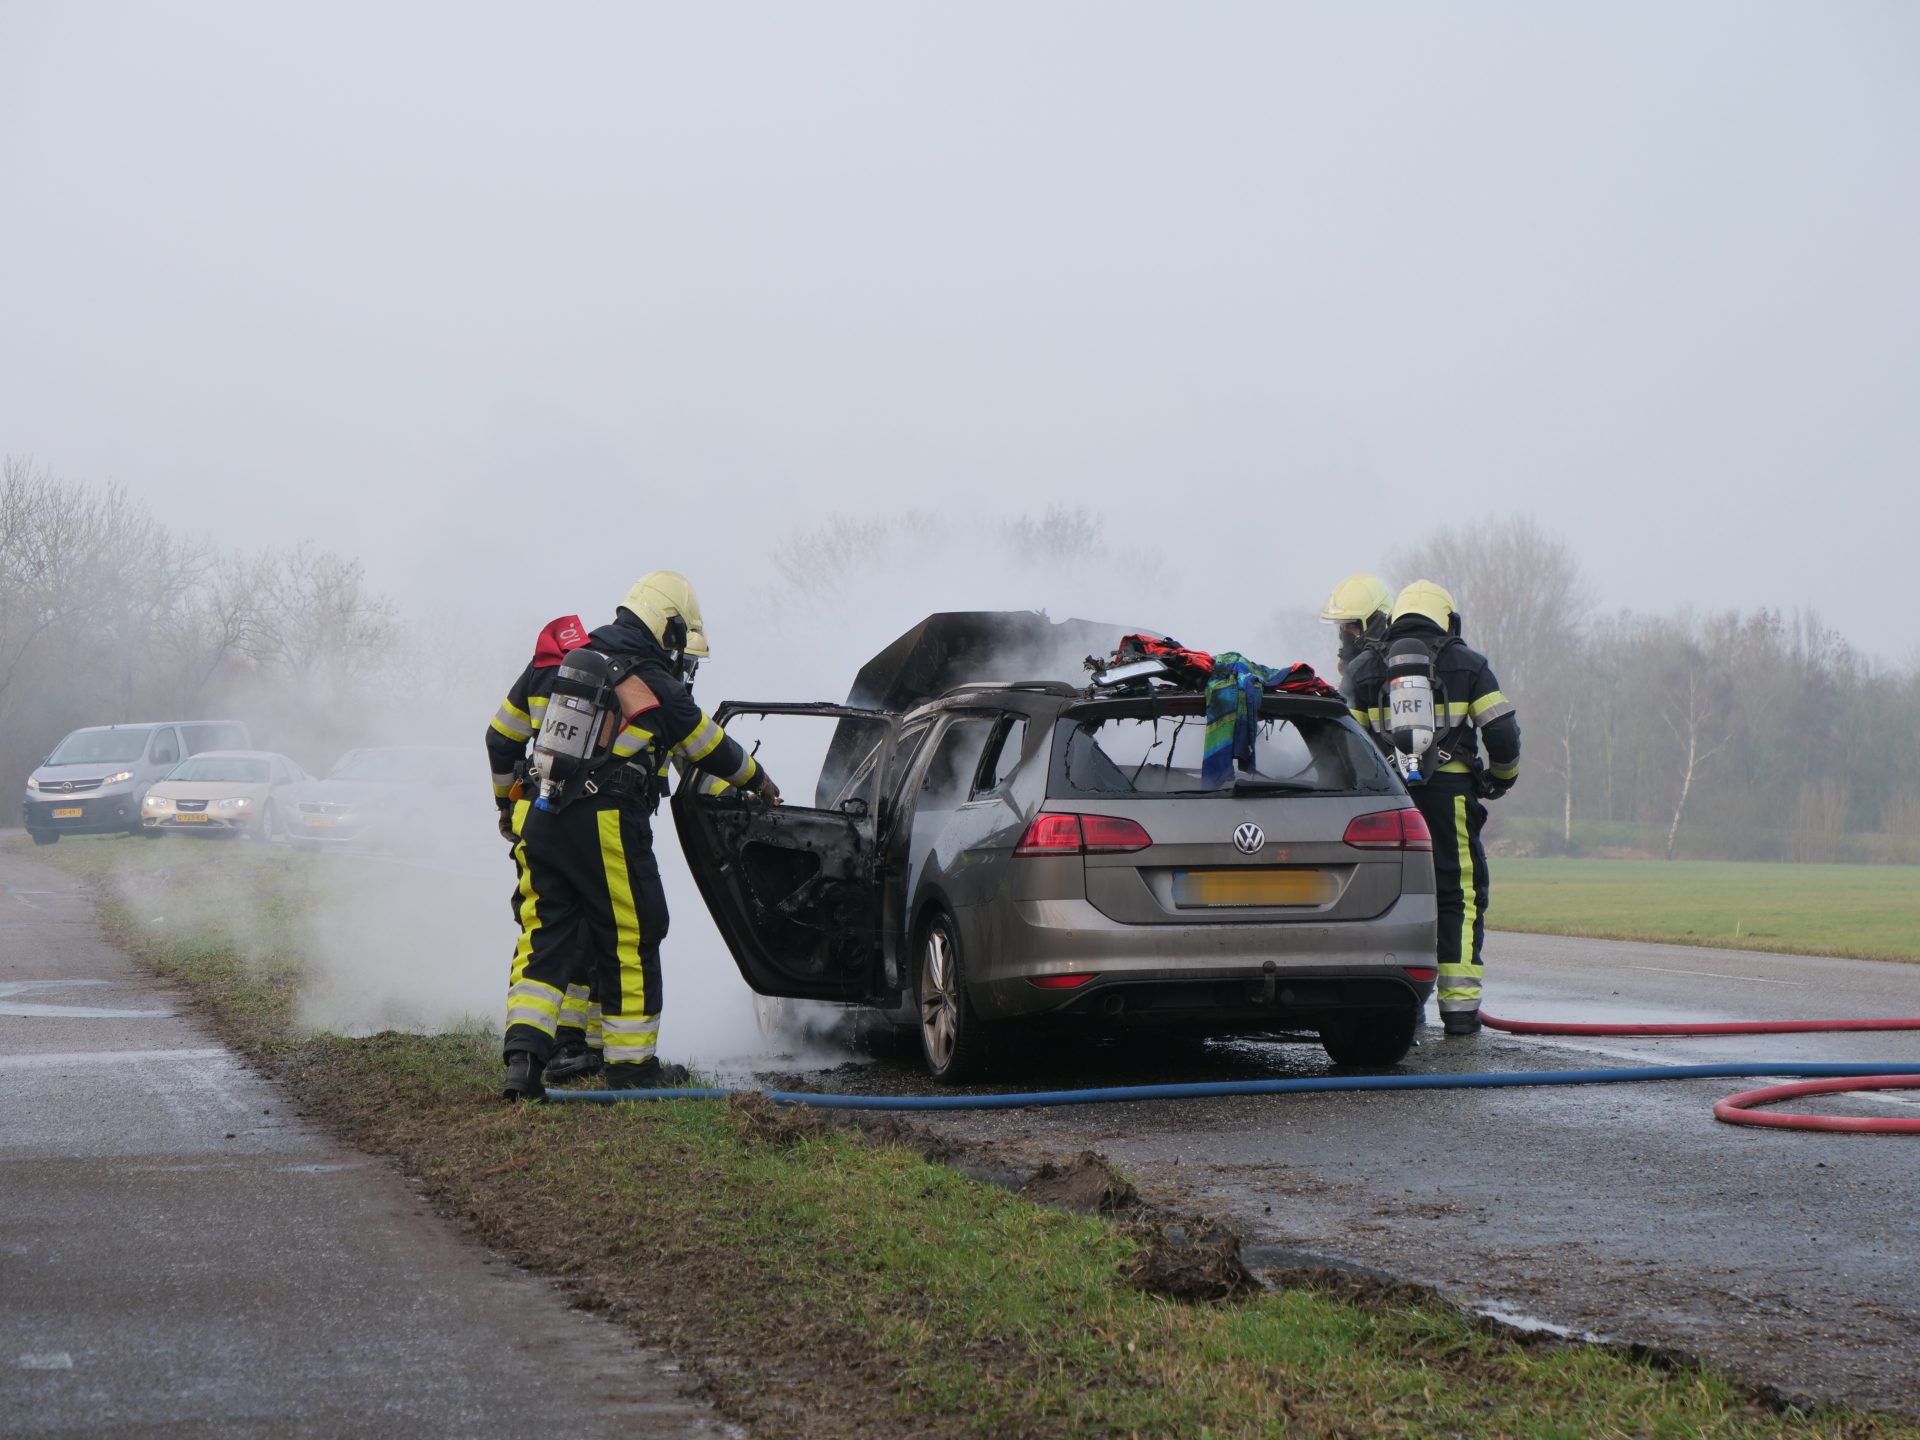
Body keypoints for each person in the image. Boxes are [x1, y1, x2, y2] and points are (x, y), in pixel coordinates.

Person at [489, 571, 779, 1100]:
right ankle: (631, 1067)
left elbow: (500, 737)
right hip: (604, 820)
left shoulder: (553, 662)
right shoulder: (652, 681)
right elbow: (709, 747)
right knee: (632, 930)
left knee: (547, 933)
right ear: (668, 629)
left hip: (539, 813)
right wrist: (759, 781)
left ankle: (526, 1063)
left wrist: (505, 806)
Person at [1343, 580, 1519, 1035]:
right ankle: (1459, 1010)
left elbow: (1345, 748)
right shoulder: (1469, 665)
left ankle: (1401, 1003)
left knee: (1391, 893)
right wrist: (1499, 781)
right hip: (1452, 799)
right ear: (1448, 619)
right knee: (1458, 892)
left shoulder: (1364, 669)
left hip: (1389, 806)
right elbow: (1502, 734)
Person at [1318, 573, 1394, 703]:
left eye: (1352, 627)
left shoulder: (1394, 675)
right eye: (1343, 628)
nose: (1346, 637)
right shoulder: (1352, 678)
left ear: (1377, 625)